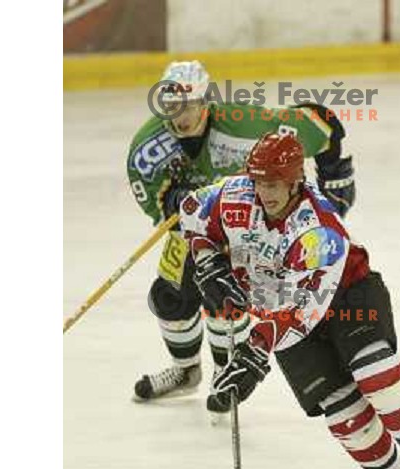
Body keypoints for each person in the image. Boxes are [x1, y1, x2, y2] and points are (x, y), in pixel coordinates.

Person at [179, 132, 400, 469]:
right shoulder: (234, 195)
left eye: (273, 184)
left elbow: (303, 309)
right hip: (278, 312)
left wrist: (254, 350)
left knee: (374, 370)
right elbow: (191, 214)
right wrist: (207, 263)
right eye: (258, 182)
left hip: (346, 298)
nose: (264, 192)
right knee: (341, 411)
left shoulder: (319, 229)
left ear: (294, 181)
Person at [127, 60, 356, 403]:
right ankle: (186, 370)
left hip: (240, 226)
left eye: (190, 104)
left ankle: (224, 373)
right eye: (173, 106)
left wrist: (335, 172)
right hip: (193, 226)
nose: (182, 115)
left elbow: (319, 122)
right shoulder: (149, 145)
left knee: (224, 299)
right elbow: (149, 191)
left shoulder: (245, 125)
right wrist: (169, 201)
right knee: (168, 297)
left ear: (206, 102)